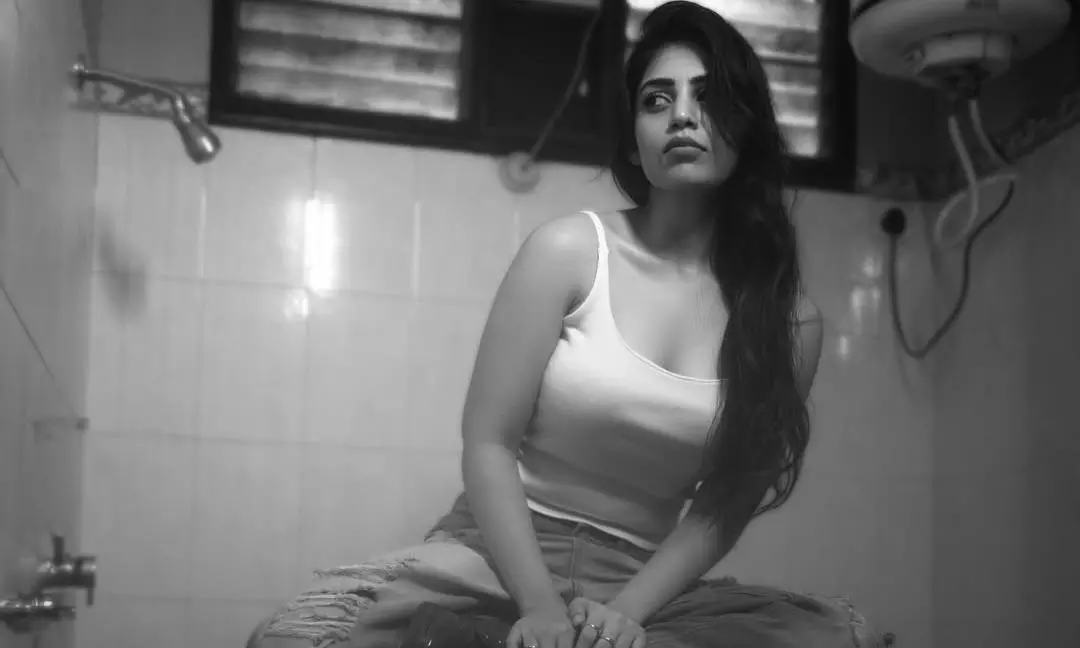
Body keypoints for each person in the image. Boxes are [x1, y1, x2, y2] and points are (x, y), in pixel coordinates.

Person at [250, 3, 871, 648]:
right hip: (493, 557)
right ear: (633, 140)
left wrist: (624, 614)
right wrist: (540, 605)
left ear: (749, 126)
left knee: (831, 638)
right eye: (657, 100)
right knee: (296, 637)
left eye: (708, 97)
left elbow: (725, 503)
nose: (682, 116)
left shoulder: (789, 325)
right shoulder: (569, 251)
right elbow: (488, 443)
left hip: (641, 585)